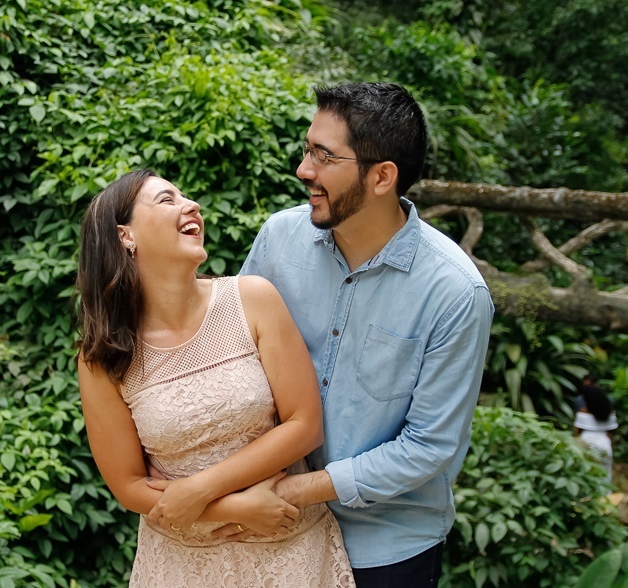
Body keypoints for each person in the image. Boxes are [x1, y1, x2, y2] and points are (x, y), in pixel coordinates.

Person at [226, 82, 495, 587]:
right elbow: (235, 362)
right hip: (272, 533)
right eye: (308, 150)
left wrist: (292, 492)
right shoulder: (279, 239)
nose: (304, 170)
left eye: (324, 156)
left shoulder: (456, 292)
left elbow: (429, 446)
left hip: (386, 549)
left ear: (382, 177)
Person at [75, 169, 355, 587]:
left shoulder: (253, 298)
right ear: (124, 236)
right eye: (167, 200)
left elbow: (304, 424)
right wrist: (233, 507)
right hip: (180, 566)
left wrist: (200, 488)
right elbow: (129, 484)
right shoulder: (103, 356)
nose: (192, 205)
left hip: (290, 551)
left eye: (186, 196)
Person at [573, 375, 618, 486]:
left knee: (586, 476)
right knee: (605, 475)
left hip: (585, 443)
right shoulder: (610, 415)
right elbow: (610, 434)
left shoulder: (582, 414)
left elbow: (576, 434)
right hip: (604, 443)